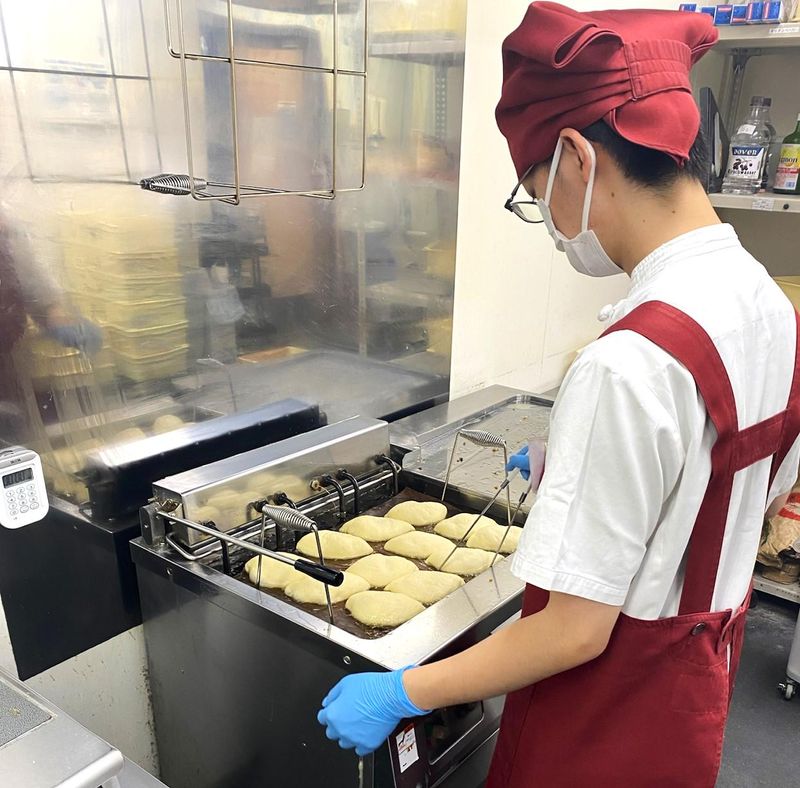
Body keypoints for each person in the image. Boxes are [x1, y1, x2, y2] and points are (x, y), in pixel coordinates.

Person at [317, 4, 800, 785]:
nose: (545, 218)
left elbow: (572, 632)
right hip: (687, 696)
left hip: (598, 722)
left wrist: (402, 691)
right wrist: (582, 469)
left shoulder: (629, 364)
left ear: (576, 156)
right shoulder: (770, 306)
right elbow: (743, 490)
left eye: (535, 192)